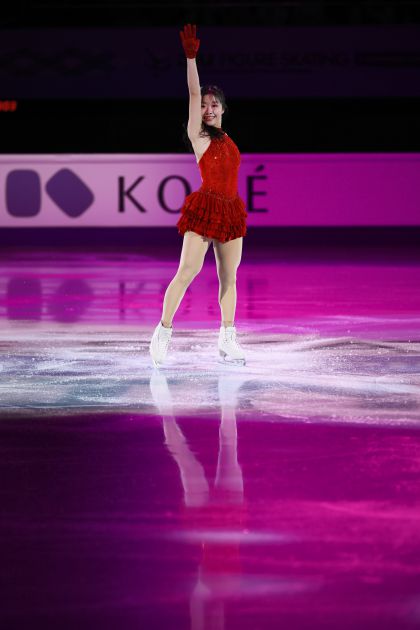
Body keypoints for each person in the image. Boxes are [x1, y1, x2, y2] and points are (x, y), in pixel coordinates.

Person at [149, 23, 248, 367]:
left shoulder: (229, 139)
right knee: (187, 272)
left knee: (229, 278)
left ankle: (227, 338)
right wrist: (191, 59)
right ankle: (162, 332)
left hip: (231, 211)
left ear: (223, 108)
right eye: (204, 105)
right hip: (206, 208)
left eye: (213, 104)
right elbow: (193, 93)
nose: (208, 108)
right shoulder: (199, 136)